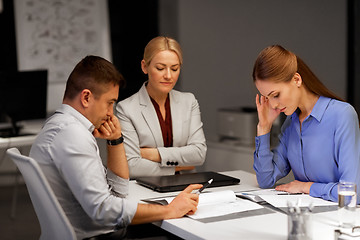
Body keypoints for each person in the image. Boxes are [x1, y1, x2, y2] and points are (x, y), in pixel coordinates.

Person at [29, 55, 201, 239]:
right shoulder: (72, 134)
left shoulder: (61, 126)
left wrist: (116, 140)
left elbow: (118, 193)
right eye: (110, 103)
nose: (111, 113)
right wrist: (168, 210)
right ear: (86, 97)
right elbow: (102, 210)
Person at [252, 45, 360, 203]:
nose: (273, 105)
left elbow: (352, 191)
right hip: (305, 213)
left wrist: (307, 187)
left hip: (339, 218)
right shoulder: (290, 123)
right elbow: (265, 180)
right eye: (268, 98)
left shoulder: (342, 115)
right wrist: (264, 128)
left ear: (296, 79)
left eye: (275, 95)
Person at [116, 36, 207, 178]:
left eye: (175, 68)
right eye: (160, 68)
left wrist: (151, 153)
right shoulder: (126, 109)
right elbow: (131, 165)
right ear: (144, 67)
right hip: (145, 189)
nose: (168, 76)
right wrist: (178, 166)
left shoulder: (189, 101)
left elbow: (199, 154)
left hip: (186, 186)